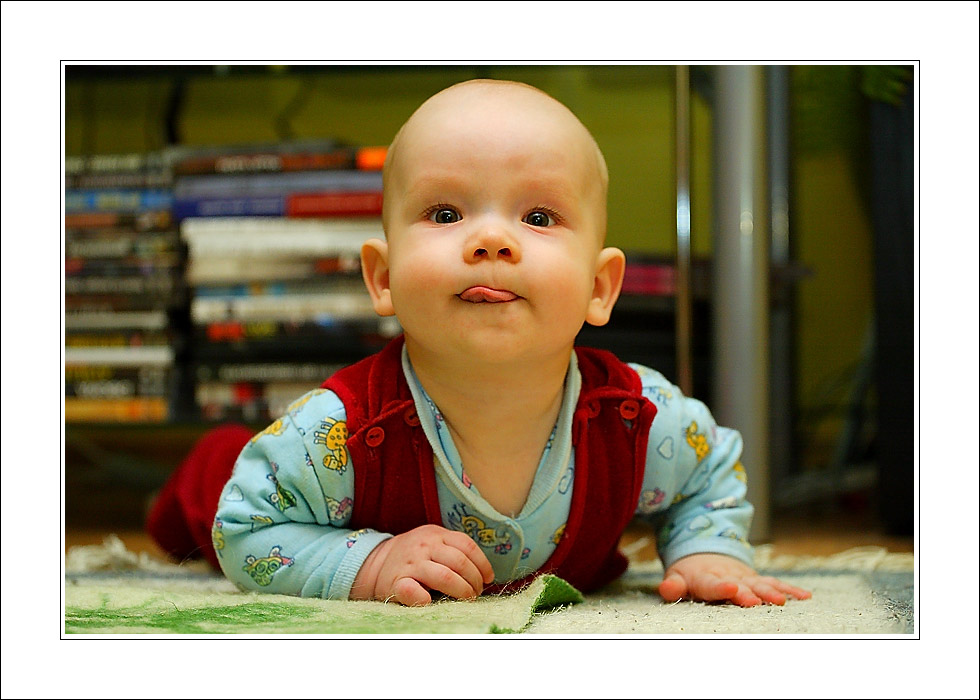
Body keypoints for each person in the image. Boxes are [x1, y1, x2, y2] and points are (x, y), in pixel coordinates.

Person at [148, 79, 811, 608]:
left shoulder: (637, 419)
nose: (492, 241)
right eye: (445, 214)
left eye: (539, 217)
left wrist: (706, 550)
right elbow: (246, 528)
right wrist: (371, 562)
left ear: (600, 288)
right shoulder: (336, 434)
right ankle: (205, 462)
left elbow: (709, 473)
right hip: (266, 483)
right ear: (381, 278)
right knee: (216, 477)